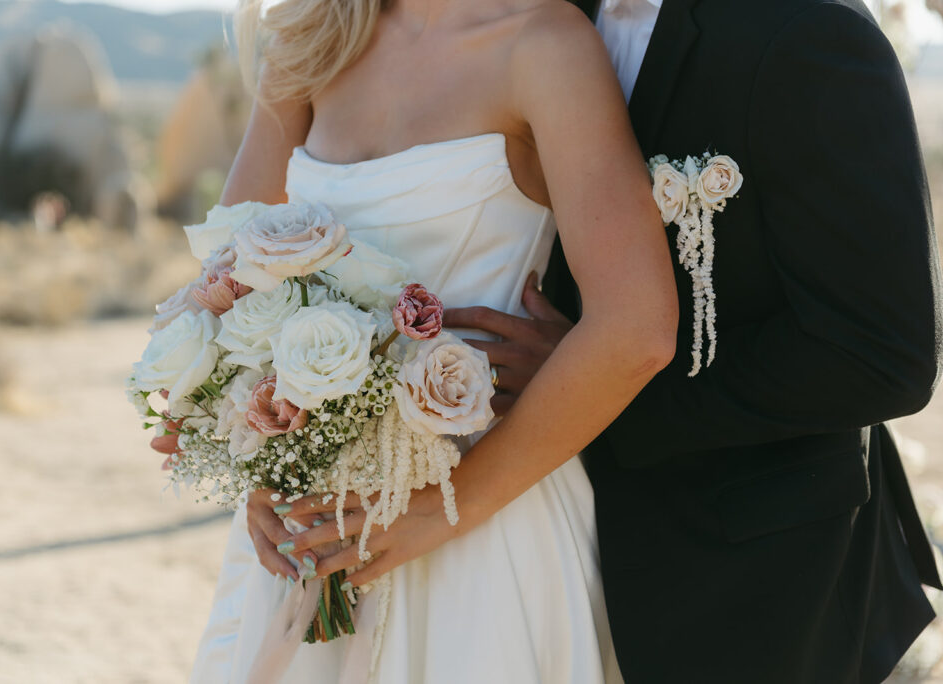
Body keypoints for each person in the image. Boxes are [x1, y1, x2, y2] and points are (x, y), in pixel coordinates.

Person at [255, 0, 943, 682]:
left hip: (750, 576)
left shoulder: (806, 31)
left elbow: (879, 354)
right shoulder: (534, 16)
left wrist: (599, 387)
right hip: (527, 535)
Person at [187, 0, 677, 681]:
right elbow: (222, 277)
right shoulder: (308, 40)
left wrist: (442, 512)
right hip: (312, 533)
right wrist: (260, 465)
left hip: (484, 532)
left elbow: (636, 328)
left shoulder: (545, 44)